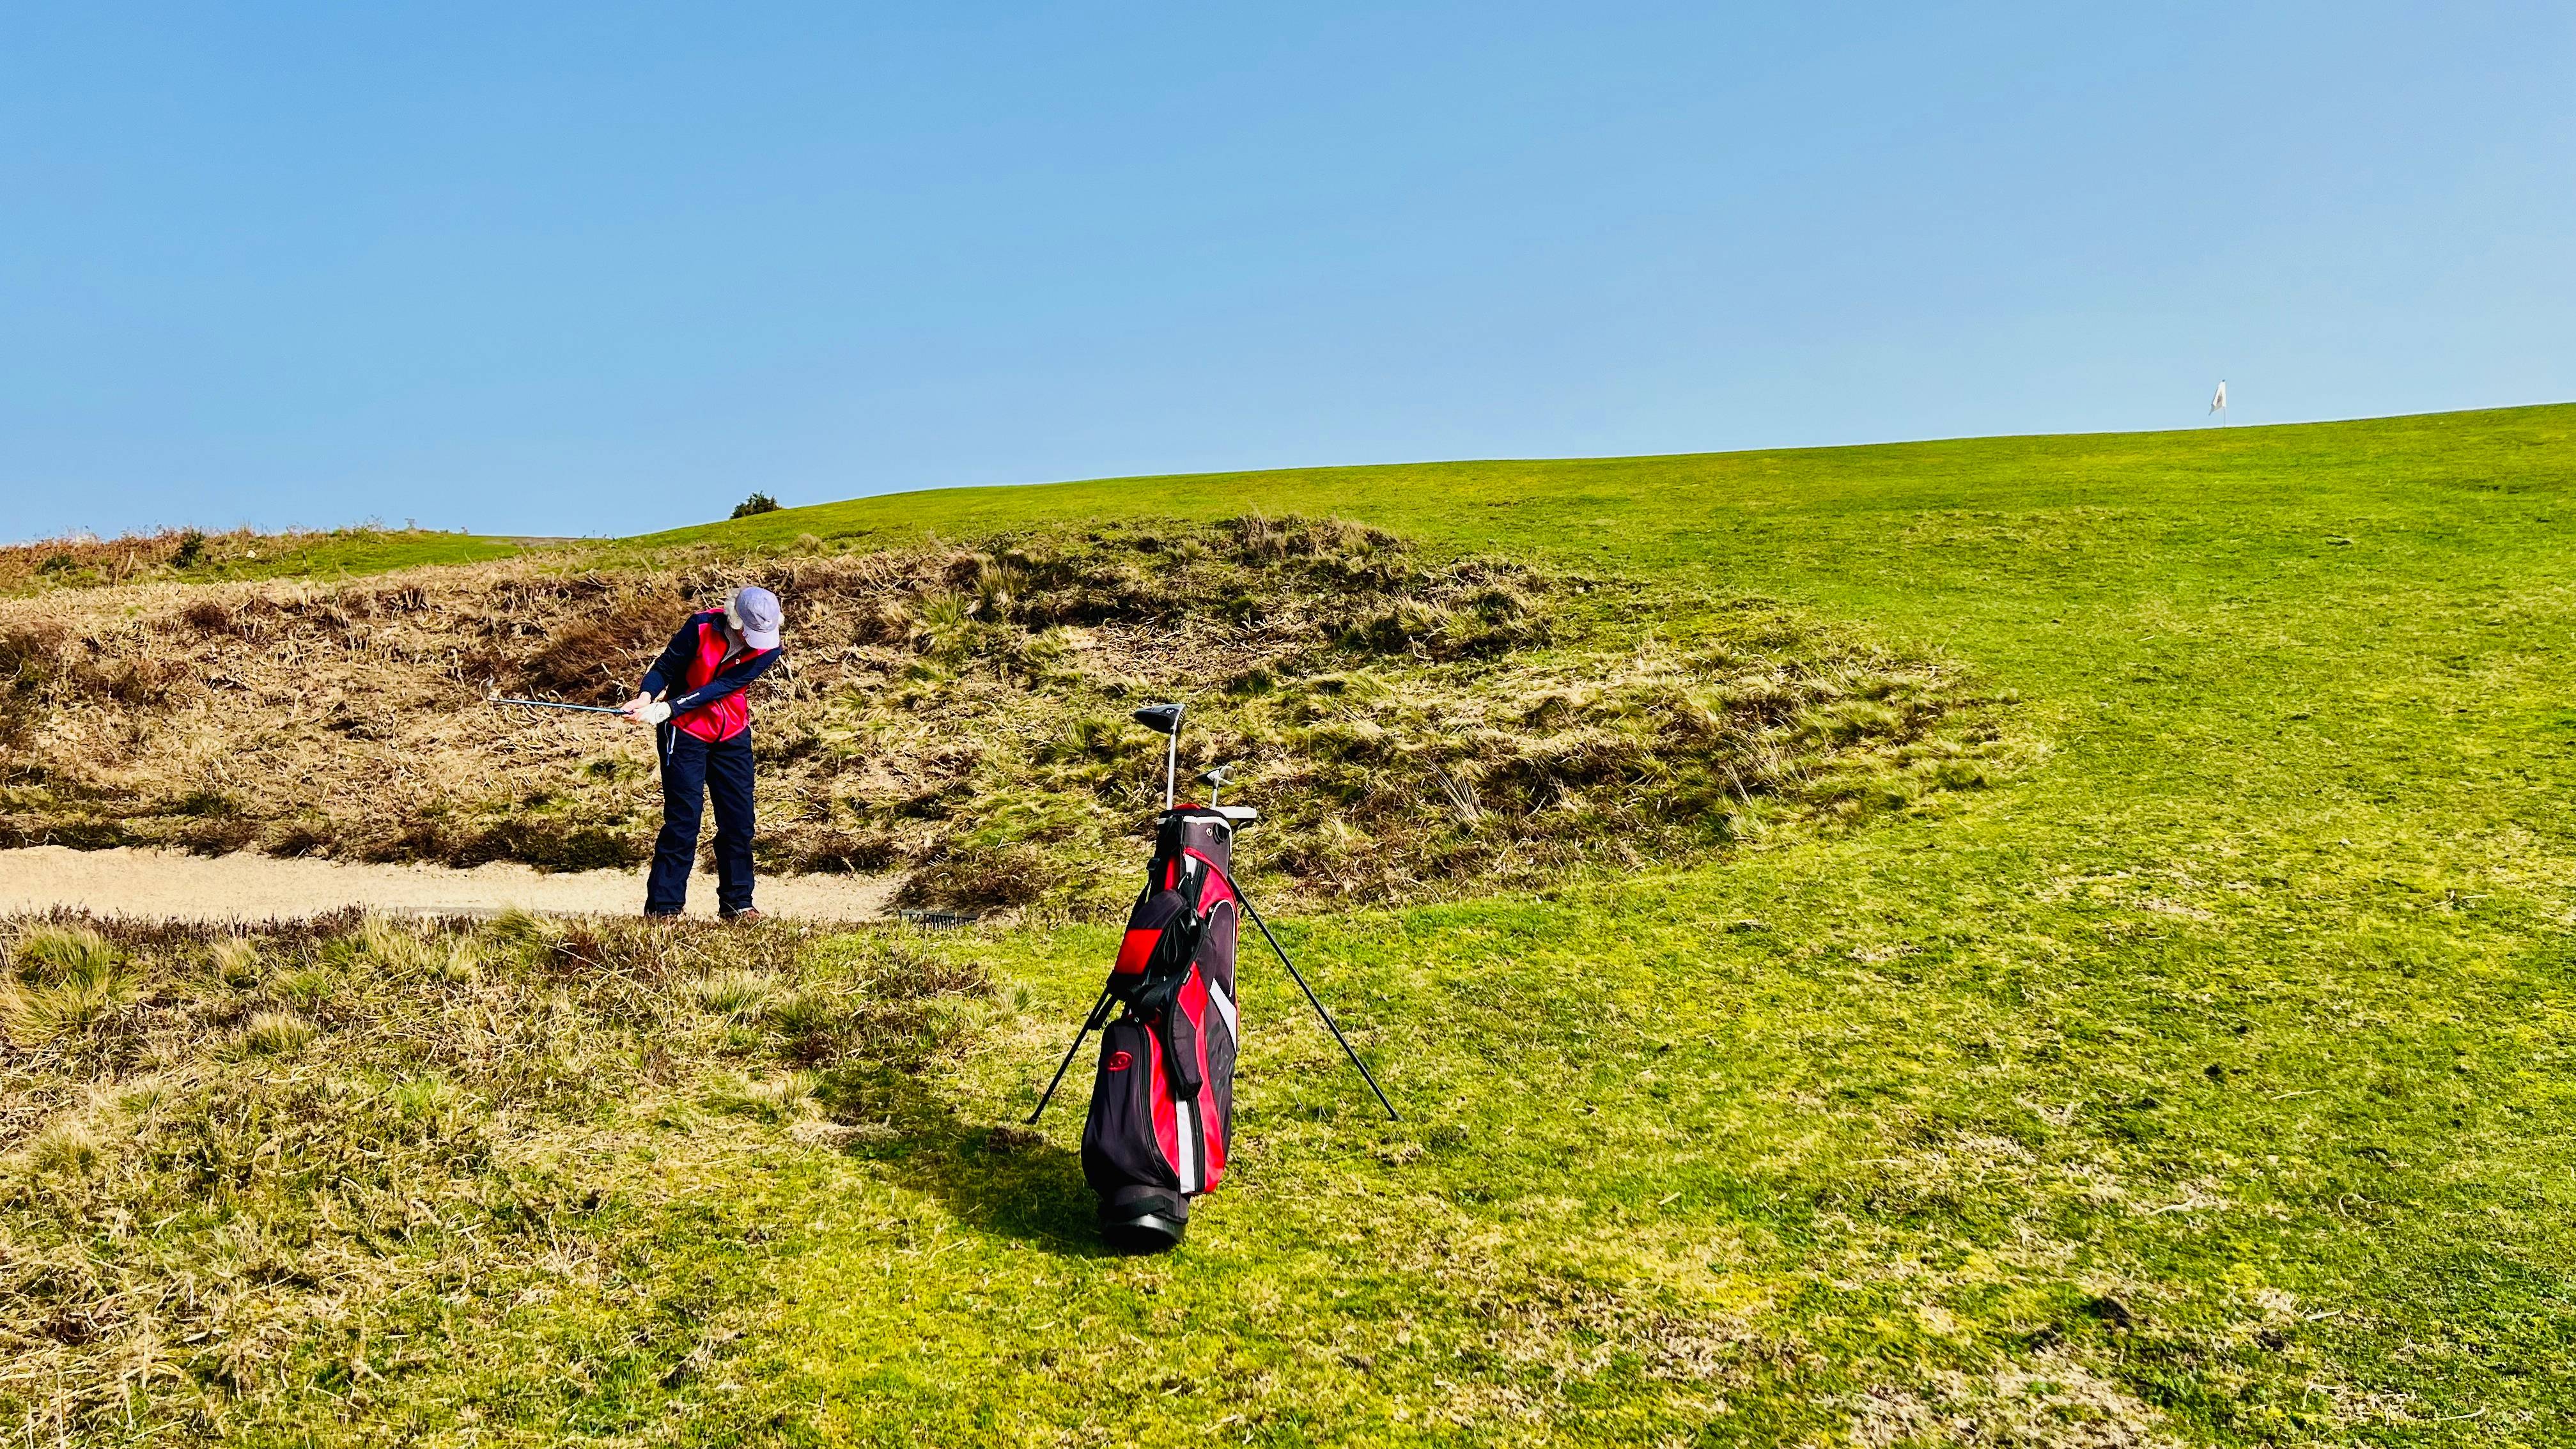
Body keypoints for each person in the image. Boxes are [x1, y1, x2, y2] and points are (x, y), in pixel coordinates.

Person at [621, 586, 784, 921]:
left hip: (732, 734)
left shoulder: (770, 646)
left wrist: (670, 707)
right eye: (751, 631)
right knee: (683, 821)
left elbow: (722, 688)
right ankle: (664, 908)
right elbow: (665, 668)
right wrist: (646, 697)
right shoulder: (699, 627)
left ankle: (738, 902)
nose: (757, 638)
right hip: (685, 735)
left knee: (739, 822)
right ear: (736, 620)